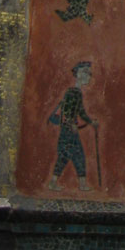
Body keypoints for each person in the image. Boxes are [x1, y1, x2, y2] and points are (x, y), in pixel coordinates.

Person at [48, 60, 95, 189]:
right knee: (75, 156)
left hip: (69, 130)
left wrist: (91, 122)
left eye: (89, 73)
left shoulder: (77, 93)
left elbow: (81, 112)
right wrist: (71, 124)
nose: (89, 76)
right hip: (68, 130)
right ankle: (81, 184)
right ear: (78, 74)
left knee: (67, 156)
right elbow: (67, 111)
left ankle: (55, 182)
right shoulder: (72, 92)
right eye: (86, 72)